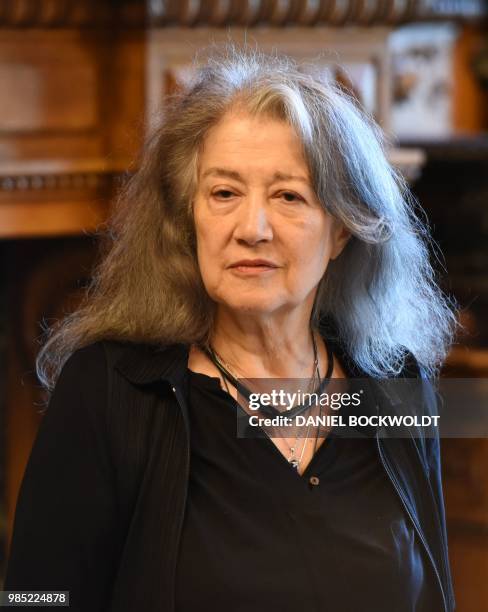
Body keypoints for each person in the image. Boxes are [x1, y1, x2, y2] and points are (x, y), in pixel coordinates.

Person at [5, 44, 457, 611]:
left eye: (288, 196)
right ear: (188, 220)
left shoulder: (396, 389)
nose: (253, 227)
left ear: (342, 230)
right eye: (224, 193)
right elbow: (33, 597)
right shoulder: (110, 391)